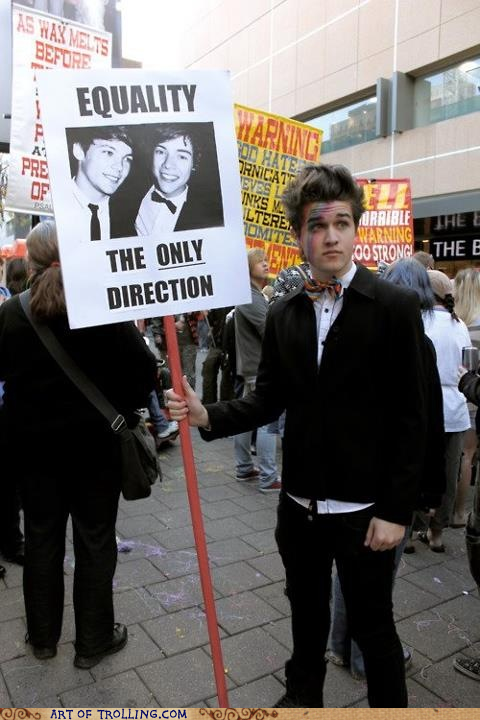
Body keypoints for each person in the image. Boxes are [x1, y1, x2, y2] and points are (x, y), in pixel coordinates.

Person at [167, 163, 429, 708]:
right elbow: (267, 399)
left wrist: (396, 511)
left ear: (355, 229)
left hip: (366, 514)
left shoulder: (394, 308)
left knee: (374, 630)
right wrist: (205, 415)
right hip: (299, 508)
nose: (330, 236)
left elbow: (412, 417)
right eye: (317, 225)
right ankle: (302, 702)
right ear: (299, 235)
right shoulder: (285, 312)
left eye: (341, 223)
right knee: (305, 622)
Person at [0, 221, 156, 667]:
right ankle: (92, 642)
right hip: (96, 451)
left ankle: (43, 638)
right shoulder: (102, 307)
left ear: (30, 261)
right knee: (95, 541)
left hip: (32, 453)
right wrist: (122, 406)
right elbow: (145, 372)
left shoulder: (10, 314)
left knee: (42, 538)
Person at [327, 258, 445, 680]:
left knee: (352, 570)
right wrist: (428, 491)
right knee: (376, 577)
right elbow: (424, 423)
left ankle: (340, 645)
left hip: (352, 482)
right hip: (387, 483)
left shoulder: (352, 332)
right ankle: (363, 657)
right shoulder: (416, 343)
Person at [418, 270, 470, 552]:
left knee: (419, 468)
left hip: (427, 405)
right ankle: (437, 533)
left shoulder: (421, 321)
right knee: (449, 473)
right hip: (456, 407)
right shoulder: (459, 324)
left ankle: (413, 529)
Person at [233, 248, 280, 493]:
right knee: (266, 421)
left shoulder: (252, 294)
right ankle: (268, 477)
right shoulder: (249, 296)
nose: (266, 264)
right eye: (260, 261)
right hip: (258, 367)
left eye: (266, 260)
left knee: (247, 418)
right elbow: (269, 330)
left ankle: (244, 467)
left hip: (253, 366)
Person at [135, 124, 224, 235]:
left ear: (194, 163)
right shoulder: (128, 193)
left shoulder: (211, 217)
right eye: (161, 152)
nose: (168, 165)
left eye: (182, 156)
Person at [69, 126, 134, 241]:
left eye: (127, 159)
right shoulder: (53, 206)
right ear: (79, 150)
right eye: (109, 152)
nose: (119, 167)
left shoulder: (130, 215)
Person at [452, 268, 480, 527]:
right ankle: (461, 512)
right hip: (475, 396)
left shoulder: (457, 322)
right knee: (468, 456)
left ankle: (450, 512)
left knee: (460, 456)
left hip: (458, 397)